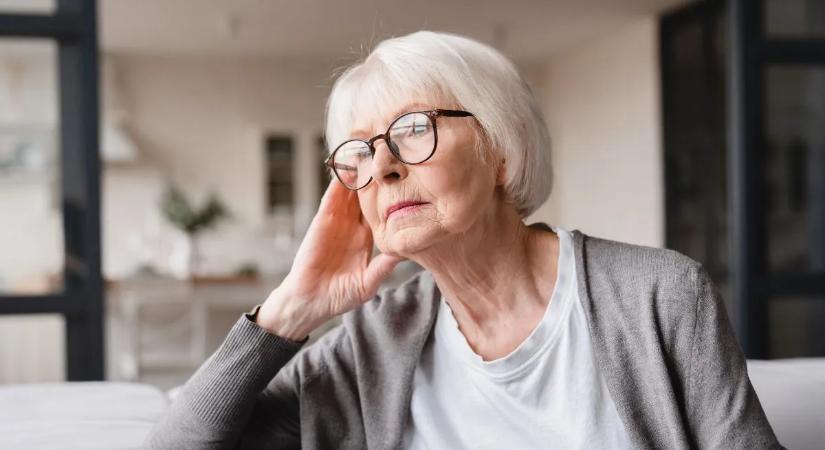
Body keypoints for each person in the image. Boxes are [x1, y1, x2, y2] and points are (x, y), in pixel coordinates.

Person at [145, 31, 782, 449]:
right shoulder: (371, 343)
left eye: (413, 129)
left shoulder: (660, 295)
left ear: (500, 149)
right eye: (361, 152)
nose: (385, 165)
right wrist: (289, 311)